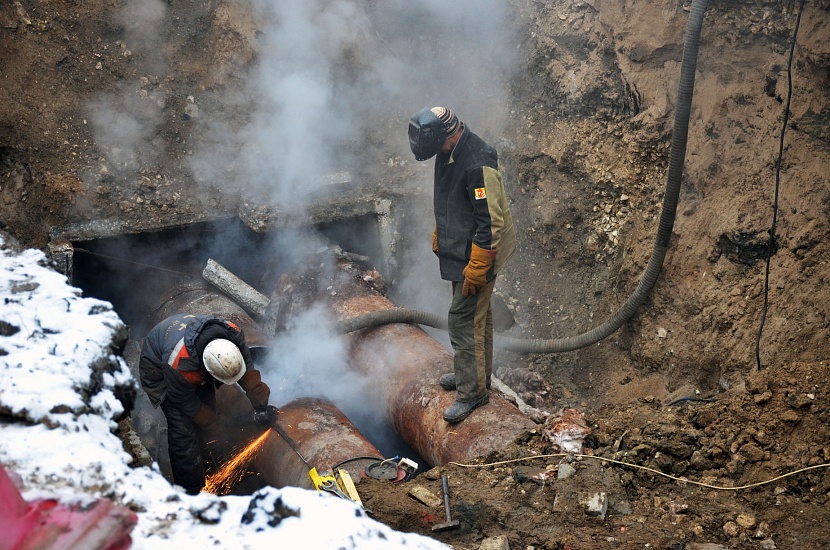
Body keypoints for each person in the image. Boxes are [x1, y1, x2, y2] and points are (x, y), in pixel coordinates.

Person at [408, 107, 517, 423]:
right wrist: (442, 230)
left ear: (445, 135)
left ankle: (473, 393)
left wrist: (479, 265)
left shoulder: (477, 163)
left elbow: (490, 223)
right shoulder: (450, 149)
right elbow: (455, 199)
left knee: (462, 319)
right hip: (464, 247)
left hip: (485, 249)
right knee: (477, 316)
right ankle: (476, 374)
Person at [138, 313, 276, 494]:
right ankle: (191, 492)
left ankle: (213, 469)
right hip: (159, 370)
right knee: (184, 432)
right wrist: (215, 423)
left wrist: (257, 395)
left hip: (190, 358)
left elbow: (247, 365)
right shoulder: (182, 365)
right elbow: (184, 402)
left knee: (209, 415)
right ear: (207, 370)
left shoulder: (232, 334)